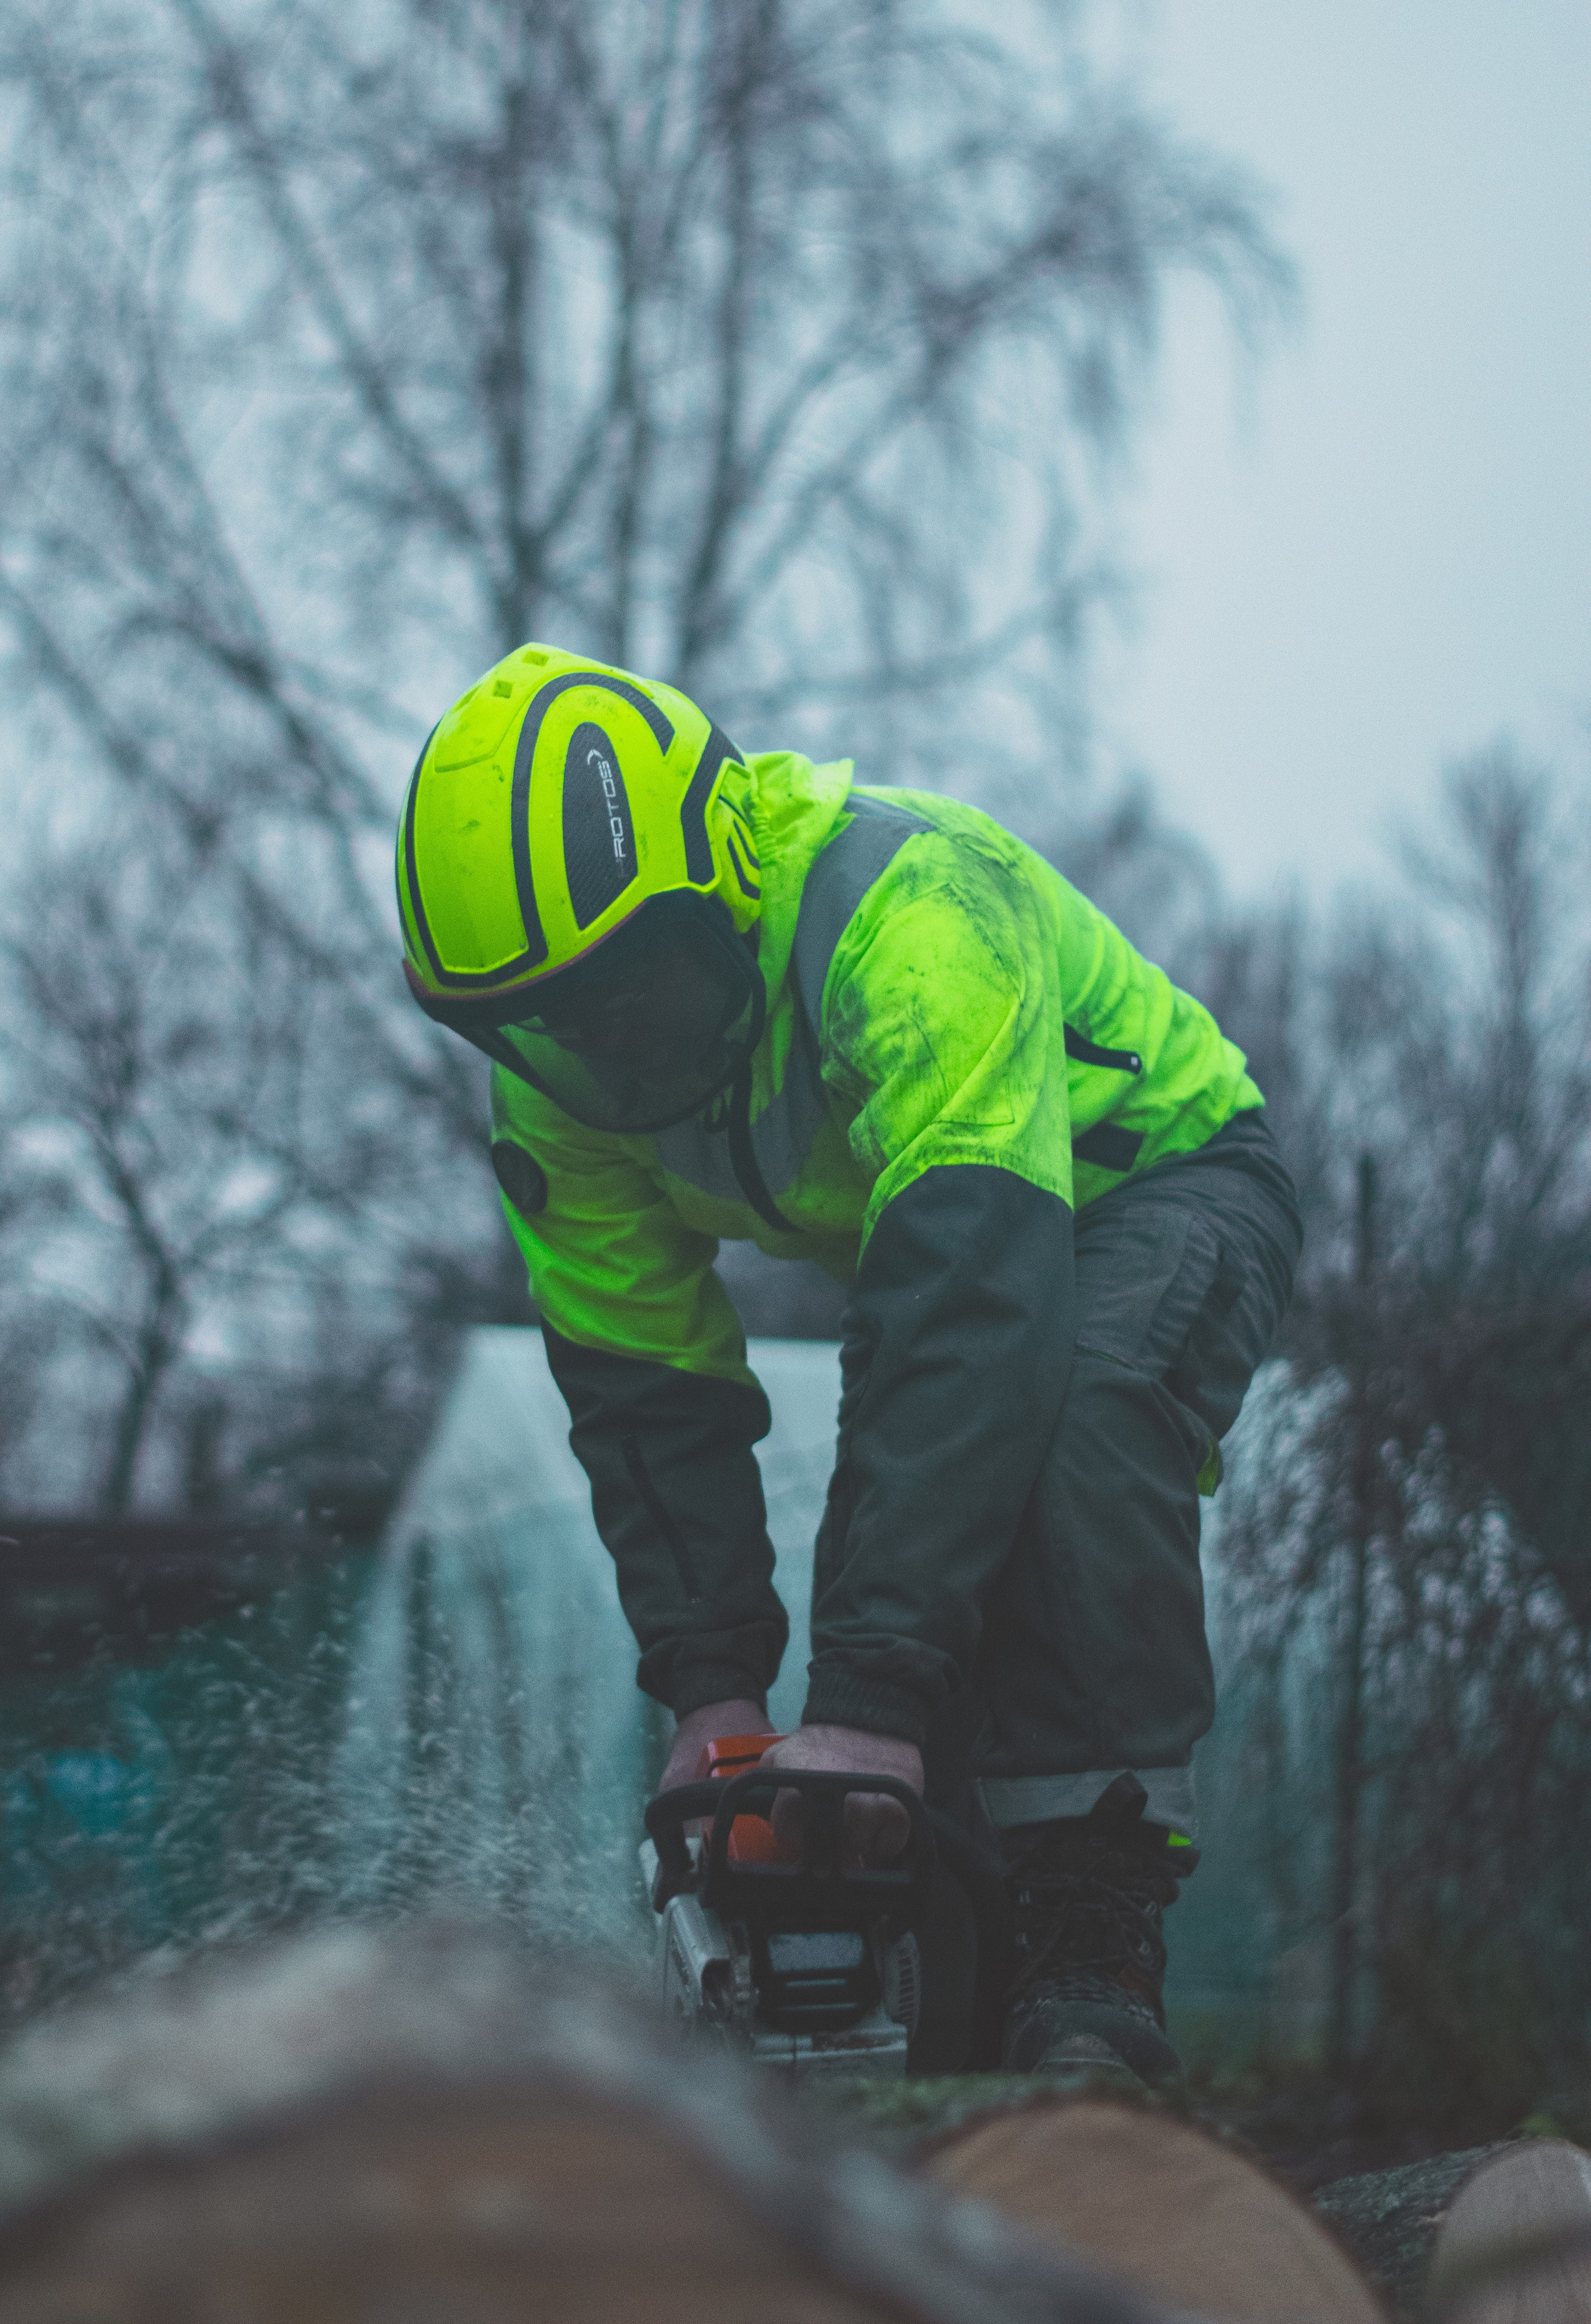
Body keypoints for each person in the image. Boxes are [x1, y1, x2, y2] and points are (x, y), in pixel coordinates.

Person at [397, 643, 1302, 2088]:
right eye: (564, 1022)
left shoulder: (913, 913)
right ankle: (933, 2015)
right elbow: (646, 1405)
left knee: (1058, 1420)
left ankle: (1091, 1945)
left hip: (1161, 1179)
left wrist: (864, 1695)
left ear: (724, 875)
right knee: (886, 1685)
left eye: (642, 989)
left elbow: (961, 1315)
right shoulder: (563, 1090)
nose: (616, 1053)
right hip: (969, 1246)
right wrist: (716, 1697)